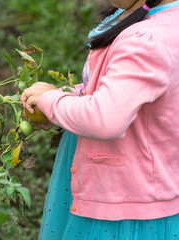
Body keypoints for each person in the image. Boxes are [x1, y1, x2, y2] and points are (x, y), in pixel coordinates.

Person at [20, 0, 179, 239]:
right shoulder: (164, 18)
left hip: (123, 205)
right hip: (149, 181)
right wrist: (65, 98)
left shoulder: (145, 40)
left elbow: (106, 118)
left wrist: (51, 101)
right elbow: (122, 92)